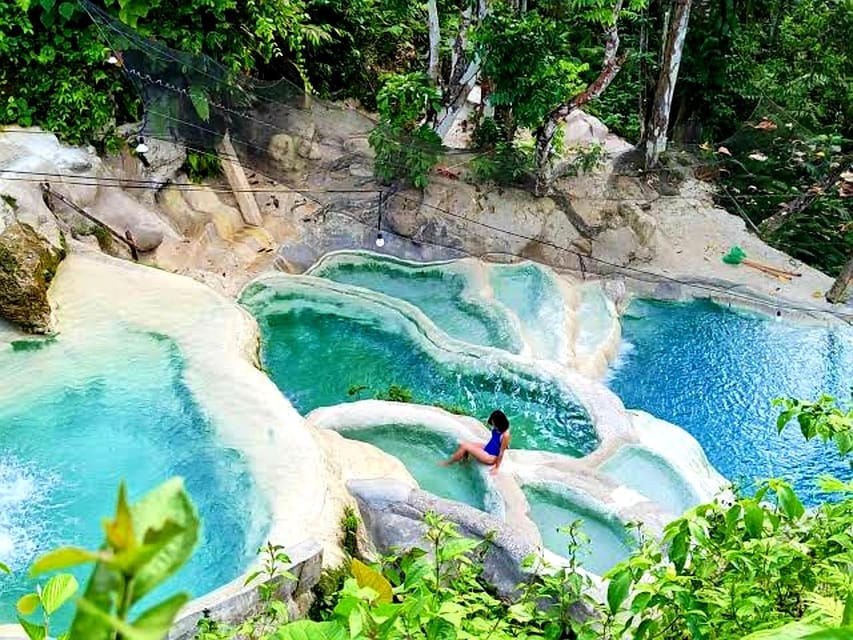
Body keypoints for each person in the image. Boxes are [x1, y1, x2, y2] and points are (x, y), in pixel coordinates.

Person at [441, 410, 511, 475]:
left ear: (500, 423)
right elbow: (504, 443)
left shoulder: (505, 435)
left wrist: (497, 468)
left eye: (494, 423)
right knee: (464, 444)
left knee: (465, 447)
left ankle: (447, 463)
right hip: (487, 448)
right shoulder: (499, 428)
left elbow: (501, 452)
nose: (493, 425)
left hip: (491, 457)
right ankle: (464, 465)